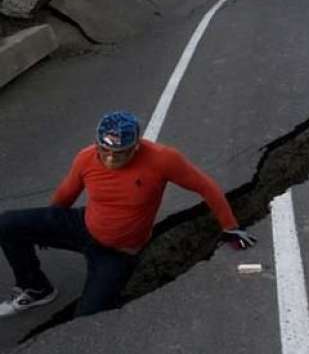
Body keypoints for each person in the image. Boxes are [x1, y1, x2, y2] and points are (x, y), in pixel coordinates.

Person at [0, 111, 255, 318]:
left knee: (87, 318)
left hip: (119, 252)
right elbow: (65, 194)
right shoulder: (86, 157)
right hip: (83, 225)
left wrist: (230, 226)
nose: (110, 158)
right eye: (104, 150)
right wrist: (45, 228)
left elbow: (205, 186)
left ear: (136, 147)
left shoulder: (162, 159)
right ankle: (35, 287)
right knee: (6, 224)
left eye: (119, 153)